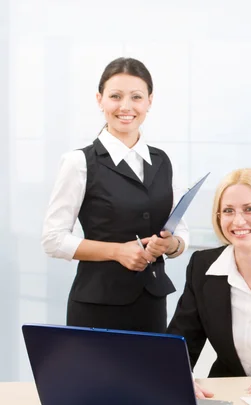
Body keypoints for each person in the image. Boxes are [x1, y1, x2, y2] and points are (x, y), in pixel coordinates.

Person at [42, 57, 189, 333]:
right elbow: (52, 240)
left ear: (149, 101)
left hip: (151, 305)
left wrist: (169, 246)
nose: (126, 106)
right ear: (100, 100)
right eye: (115, 96)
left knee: (147, 376)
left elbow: (180, 233)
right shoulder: (79, 162)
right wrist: (117, 252)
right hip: (96, 307)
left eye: (136, 97)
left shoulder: (165, 162)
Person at [167, 168, 251, 399]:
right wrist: (180, 376)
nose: (238, 220)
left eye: (250, 209)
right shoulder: (202, 267)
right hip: (224, 394)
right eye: (228, 211)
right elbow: (179, 342)